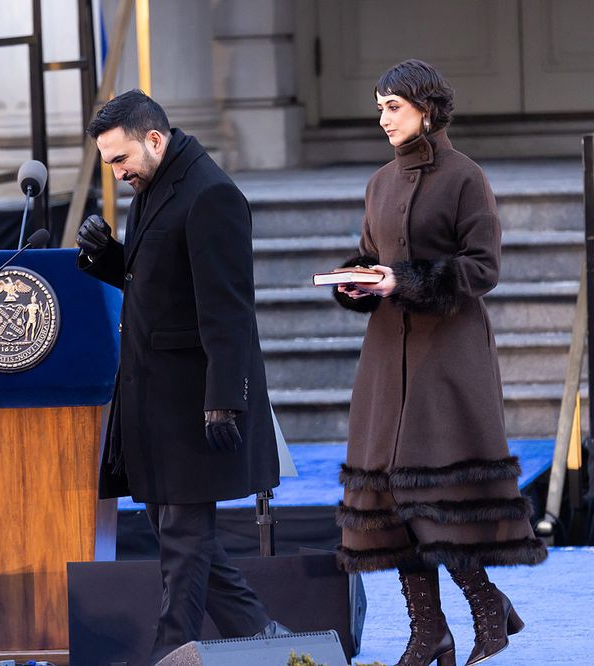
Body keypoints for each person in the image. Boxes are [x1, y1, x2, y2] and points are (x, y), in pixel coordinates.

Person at [333, 60, 547, 666]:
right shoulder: (379, 183)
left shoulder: (464, 178)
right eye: (378, 107)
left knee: (436, 494)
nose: (383, 118)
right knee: (390, 495)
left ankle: (483, 606)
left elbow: (483, 268)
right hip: (386, 358)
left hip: (446, 357)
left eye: (392, 107)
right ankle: (431, 630)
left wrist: (402, 280)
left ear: (425, 108)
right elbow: (373, 253)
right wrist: (356, 280)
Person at [75, 89, 284, 664]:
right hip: (156, 400)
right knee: (184, 540)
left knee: (184, 546)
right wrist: (103, 258)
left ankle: (174, 654)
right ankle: (269, 641)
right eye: (108, 162)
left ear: (155, 139)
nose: (116, 174)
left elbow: (228, 309)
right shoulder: (156, 183)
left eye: (120, 160)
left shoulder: (211, 194)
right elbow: (157, 282)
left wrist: (225, 401)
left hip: (196, 402)